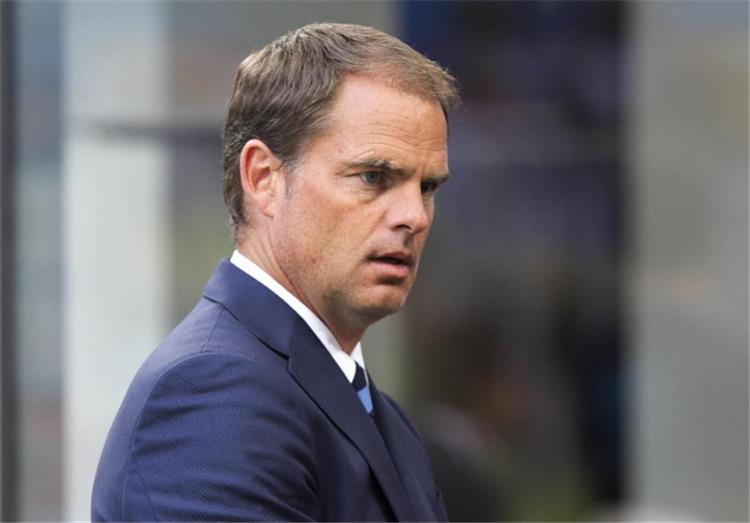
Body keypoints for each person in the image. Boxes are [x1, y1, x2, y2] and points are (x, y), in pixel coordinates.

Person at [91, 22, 460, 522]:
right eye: (374, 177)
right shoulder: (213, 395)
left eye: (427, 187)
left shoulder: (380, 414)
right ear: (264, 179)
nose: (414, 216)